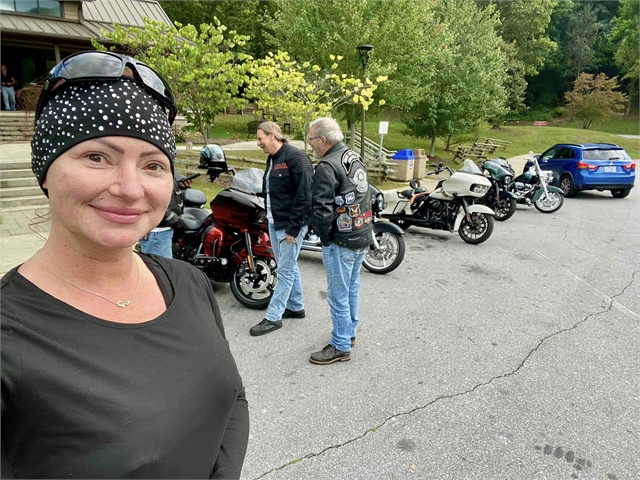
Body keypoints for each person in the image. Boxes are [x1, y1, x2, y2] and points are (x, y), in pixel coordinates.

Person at [1, 51, 249, 478]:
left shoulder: (189, 283)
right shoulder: (10, 335)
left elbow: (232, 397)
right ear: (45, 169)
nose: (131, 189)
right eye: (97, 157)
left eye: (153, 165)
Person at [308, 117, 373, 365]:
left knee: (337, 294)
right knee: (351, 287)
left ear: (323, 140)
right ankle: (349, 332)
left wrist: (325, 239)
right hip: (361, 234)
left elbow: (321, 210)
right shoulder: (353, 156)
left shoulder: (326, 166)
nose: (310, 143)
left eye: (311, 139)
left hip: (341, 240)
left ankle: (340, 345)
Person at [249, 121, 313, 336]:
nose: (258, 143)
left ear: (272, 135)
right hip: (274, 222)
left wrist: (293, 229)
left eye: (260, 138)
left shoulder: (296, 158)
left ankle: (273, 317)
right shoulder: (272, 159)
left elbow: (305, 196)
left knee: (284, 270)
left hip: (290, 226)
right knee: (288, 266)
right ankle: (295, 306)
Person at [139, 174, 191, 258]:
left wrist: (177, 184)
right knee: (158, 265)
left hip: (161, 231)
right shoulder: (152, 172)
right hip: (157, 232)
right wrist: (168, 215)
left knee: (160, 263)